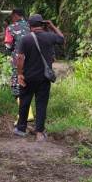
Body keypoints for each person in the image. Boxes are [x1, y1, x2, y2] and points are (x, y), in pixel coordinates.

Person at [14, 14, 64, 142]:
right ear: (42, 24)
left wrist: (20, 74)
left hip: (28, 77)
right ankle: (39, 132)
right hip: (44, 78)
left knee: (25, 102)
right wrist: (52, 25)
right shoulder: (50, 37)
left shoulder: (26, 39)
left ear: (30, 26)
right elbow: (62, 38)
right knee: (41, 104)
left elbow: (20, 58)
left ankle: (21, 129)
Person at [3, 9, 34, 123]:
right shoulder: (31, 26)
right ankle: (27, 112)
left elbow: (8, 46)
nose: (11, 18)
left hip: (18, 62)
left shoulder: (10, 28)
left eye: (12, 16)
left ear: (16, 16)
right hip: (33, 61)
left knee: (17, 87)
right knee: (28, 85)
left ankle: (26, 114)